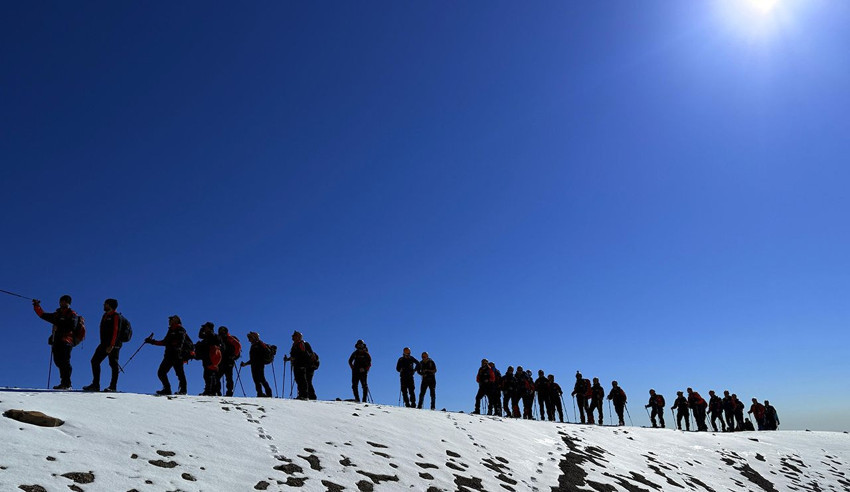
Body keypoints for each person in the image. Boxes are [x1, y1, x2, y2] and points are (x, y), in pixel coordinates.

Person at [32, 295, 78, 390]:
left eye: (64, 302)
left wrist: (59, 325)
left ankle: (67, 384)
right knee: (58, 362)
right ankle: (63, 383)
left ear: (69, 303)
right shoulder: (57, 314)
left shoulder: (72, 314)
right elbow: (43, 315)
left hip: (67, 341)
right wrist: (36, 306)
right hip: (57, 341)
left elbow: (72, 326)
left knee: (65, 362)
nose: (62, 303)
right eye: (61, 301)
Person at [83, 298, 123, 392]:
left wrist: (112, 345)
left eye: (105, 304)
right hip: (104, 343)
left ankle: (113, 387)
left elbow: (116, 331)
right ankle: (96, 385)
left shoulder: (116, 316)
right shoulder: (105, 316)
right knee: (94, 361)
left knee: (113, 364)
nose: (103, 305)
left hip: (114, 344)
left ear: (110, 305)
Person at [146, 315, 188, 396]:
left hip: (176, 355)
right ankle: (169, 389)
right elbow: (165, 342)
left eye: (171, 319)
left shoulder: (180, 329)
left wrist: (174, 346)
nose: (169, 320)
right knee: (163, 372)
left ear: (176, 320)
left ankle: (180, 390)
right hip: (170, 355)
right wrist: (152, 342)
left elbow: (179, 342)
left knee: (177, 373)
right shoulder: (171, 330)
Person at [240, 331, 273, 398]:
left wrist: (246, 364)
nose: (249, 340)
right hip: (256, 365)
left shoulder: (258, 345)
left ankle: (265, 394)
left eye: (250, 338)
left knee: (261, 379)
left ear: (254, 337)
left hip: (258, 365)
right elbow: (253, 359)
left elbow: (255, 358)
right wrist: (246, 364)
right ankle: (261, 393)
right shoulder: (255, 345)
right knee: (257, 380)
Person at [285, 331, 317, 400]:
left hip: (302, 364)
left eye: (294, 336)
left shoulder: (301, 344)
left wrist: (293, 359)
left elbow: (302, 354)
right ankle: (305, 395)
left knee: (302, 380)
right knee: (299, 379)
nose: (292, 337)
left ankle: (304, 395)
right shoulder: (295, 345)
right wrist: (289, 359)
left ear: (298, 337)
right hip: (299, 364)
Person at [195, 322, 222, 396]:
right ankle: (211, 391)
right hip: (210, 357)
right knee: (209, 374)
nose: (204, 329)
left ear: (209, 328)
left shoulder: (211, 335)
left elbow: (201, 336)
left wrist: (201, 329)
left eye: (205, 327)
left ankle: (209, 391)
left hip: (210, 357)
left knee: (208, 374)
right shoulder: (213, 335)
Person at [218, 326, 241, 397]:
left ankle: (218, 391)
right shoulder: (229, 338)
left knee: (219, 376)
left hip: (225, 360)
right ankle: (228, 392)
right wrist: (234, 355)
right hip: (228, 360)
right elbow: (238, 346)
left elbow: (238, 346)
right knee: (228, 377)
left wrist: (234, 355)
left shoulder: (228, 338)